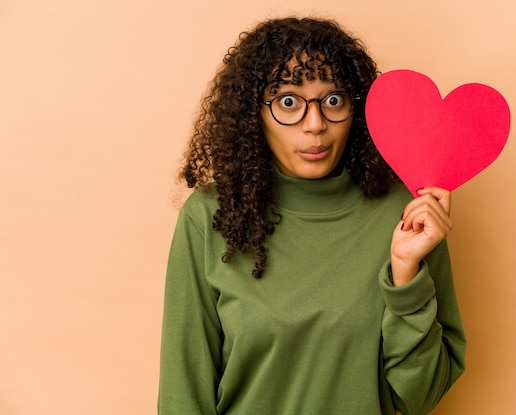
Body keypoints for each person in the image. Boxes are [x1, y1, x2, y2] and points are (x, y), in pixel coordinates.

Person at [158, 16, 466, 415]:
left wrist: (406, 271)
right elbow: (184, 392)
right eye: (289, 102)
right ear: (255, 114)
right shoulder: (211, 217)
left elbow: (421, 396)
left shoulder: (407, 216)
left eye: (334, 100)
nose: (316, 124)